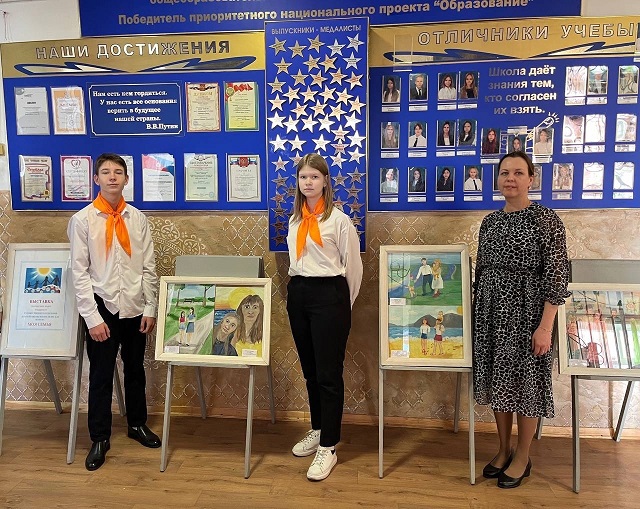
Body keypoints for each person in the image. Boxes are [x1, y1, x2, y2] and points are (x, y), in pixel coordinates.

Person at [473, 151, 570, 489]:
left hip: (530, 316)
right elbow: (482, 273)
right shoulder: (490, 222)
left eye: (517, 173)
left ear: (531, 179)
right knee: (500, 382)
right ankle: (503, 450)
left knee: (527, 384)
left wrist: (545, 327)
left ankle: (523, 455)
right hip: (492, 316)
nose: (510, 179)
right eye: (504, 173)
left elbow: (557, 277)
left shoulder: (545, 219)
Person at [67, 153, 161, 472]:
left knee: (135, 369)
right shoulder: (83, 220)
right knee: (101, 374)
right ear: (96, 179)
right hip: (102, 307)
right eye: (105, 172)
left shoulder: (138, 219)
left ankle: (136, 424)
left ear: (126, 179)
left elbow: (149, 267)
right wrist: (92, 318)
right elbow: (79, 273)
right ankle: (99, 437)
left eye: (118, 172)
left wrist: (150, 306)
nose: (112, 177)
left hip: (134, 306)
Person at [286, 153, 363, 481]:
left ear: (325, 181)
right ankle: (318, 428)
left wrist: (342, 305)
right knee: (311, 372)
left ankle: (329, 446)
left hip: (329, 296)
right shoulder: (295, 220)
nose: (308, 182)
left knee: (329, 374)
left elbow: (353, 268)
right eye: (303, 177)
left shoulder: (339, 221)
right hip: (299, 294)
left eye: (314, 177)